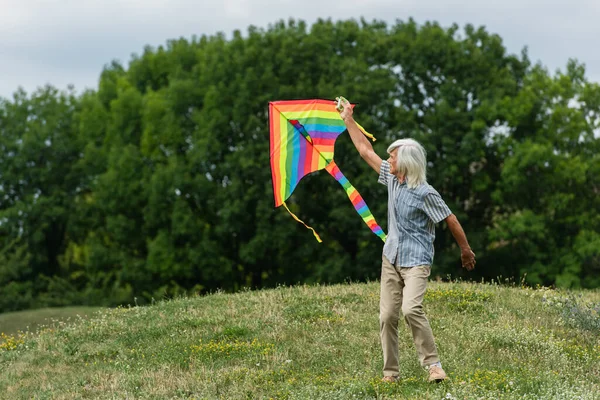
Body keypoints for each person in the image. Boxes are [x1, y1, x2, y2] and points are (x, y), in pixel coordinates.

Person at [337, 97, 476, 383]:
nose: (388, 160)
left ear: (407, 162)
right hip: (391, 257)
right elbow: (365, 150)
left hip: (417, 261)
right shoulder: (391, 177)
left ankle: (434, 367)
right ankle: (391, 375)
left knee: (411, 308)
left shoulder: (425, 192)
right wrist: (347, 119)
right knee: (387, 316)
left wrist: (466, 250)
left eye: (393, 156)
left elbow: (450, 219)